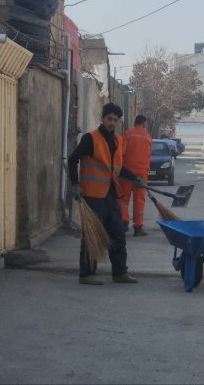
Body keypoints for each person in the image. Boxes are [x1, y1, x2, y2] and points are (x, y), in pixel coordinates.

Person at [68, 103, 145, 285]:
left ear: (118, 122)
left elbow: (118, 168)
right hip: (92, 196)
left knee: (118, 233)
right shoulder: (90, 139)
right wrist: (74, 184)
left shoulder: (118, 141)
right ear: (102, 118)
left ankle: (120, 272)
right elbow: (72, 160)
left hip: (111, 196)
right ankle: (86, 274)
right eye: (109, 119)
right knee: (92, 235)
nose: (111, 122)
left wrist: (134, 178)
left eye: (115, 120)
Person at [119, 115, 153, 237]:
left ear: (135, 123)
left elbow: (121, 153)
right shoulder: (148, 137)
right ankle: (138, 227)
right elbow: (148, 157)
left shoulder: (128, 134)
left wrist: (120, 169)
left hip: (127, 172)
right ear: (144, 124)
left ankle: (123, 223)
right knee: (139, 200)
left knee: (123, 198)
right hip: (142, 173)